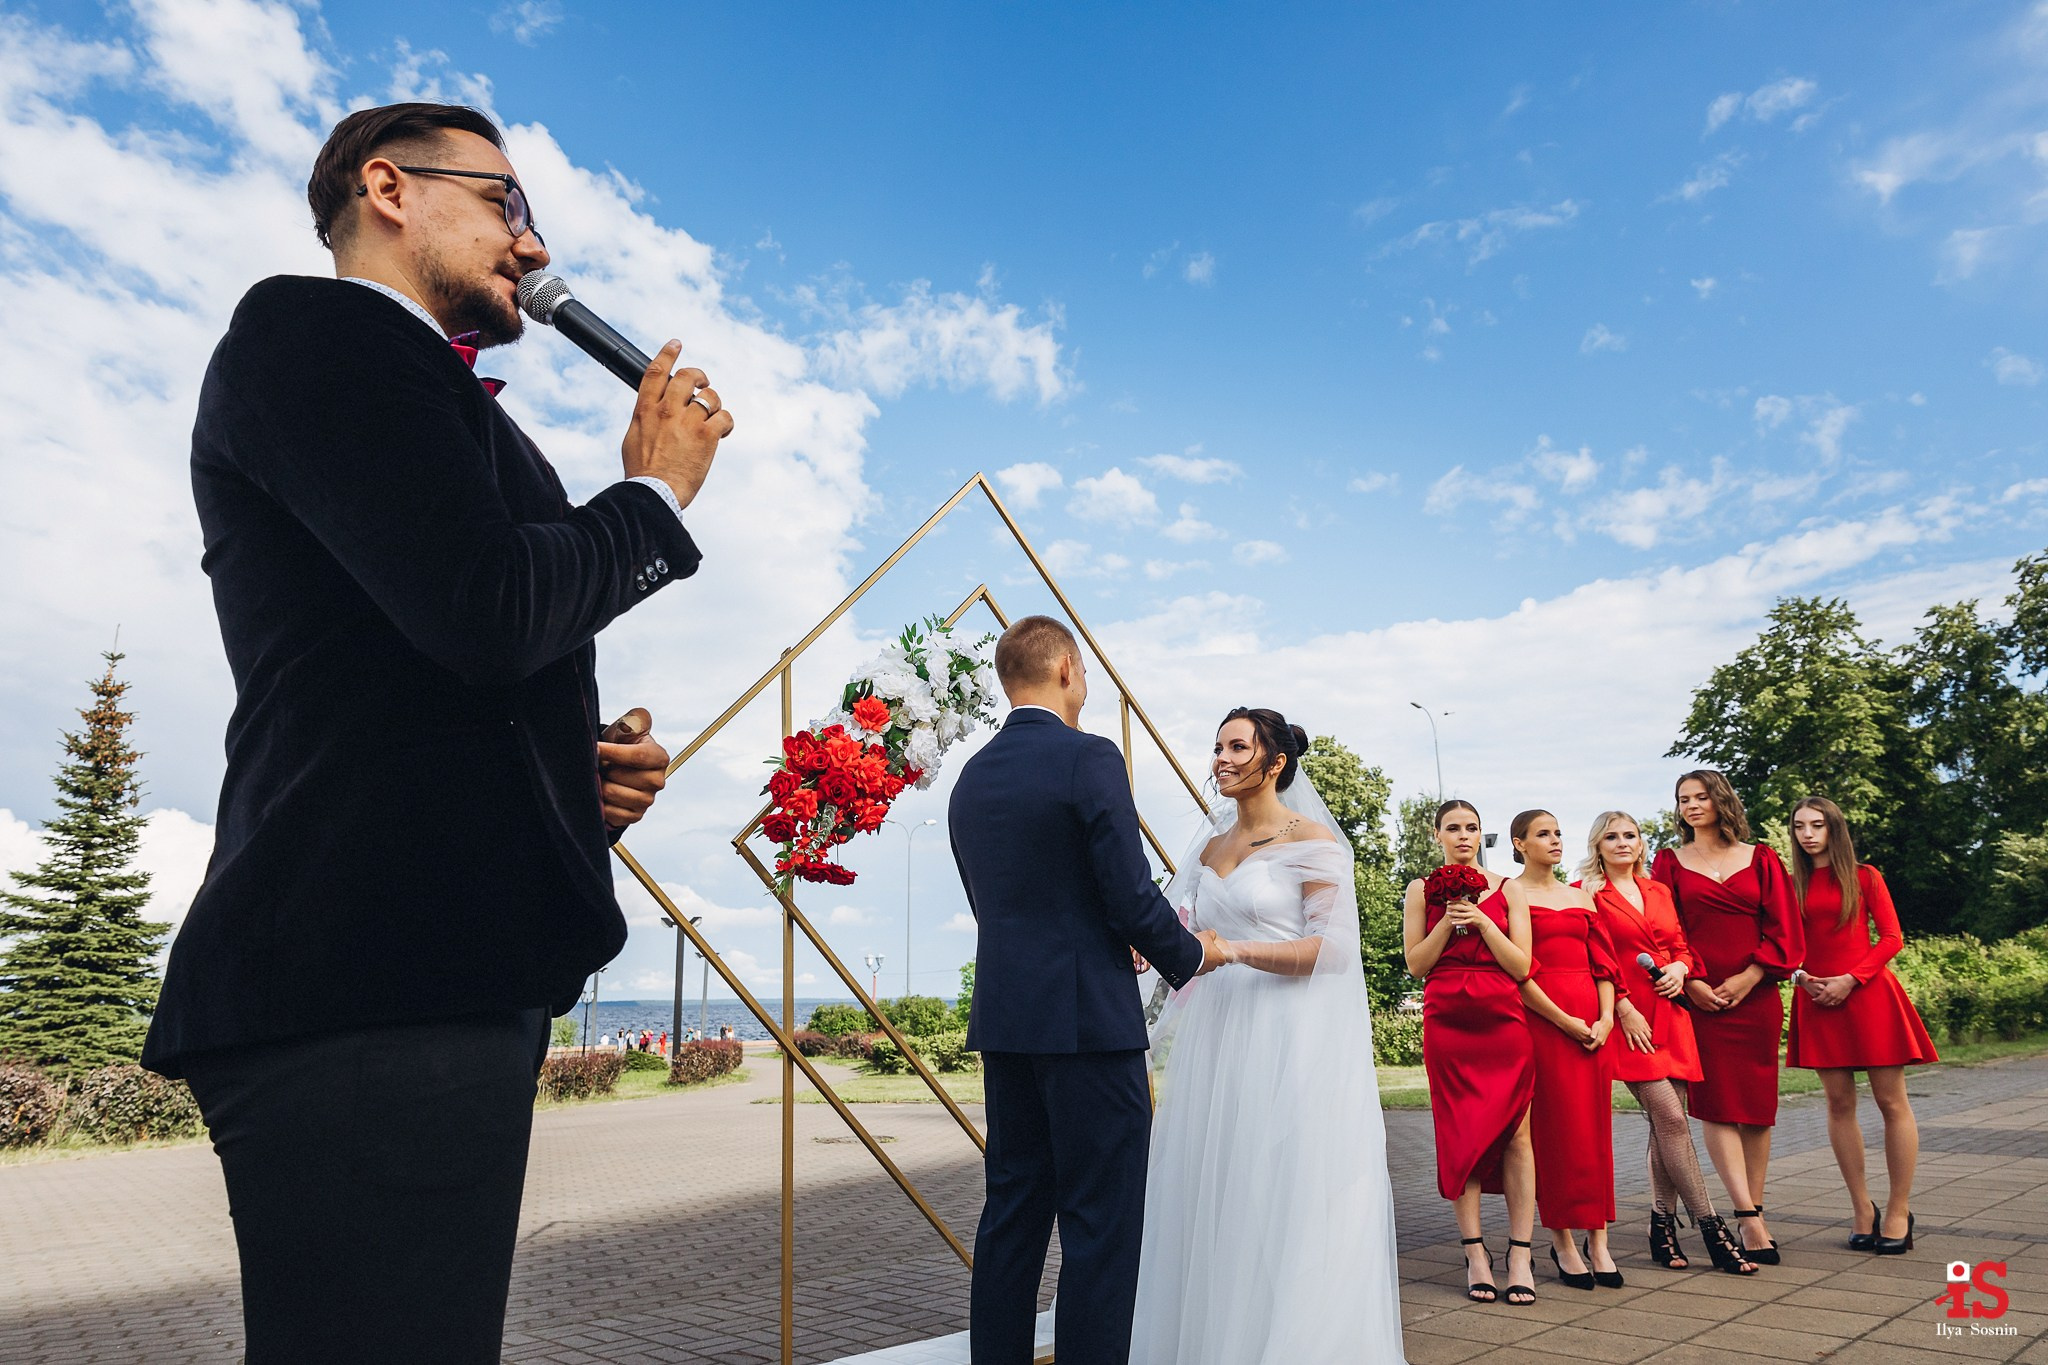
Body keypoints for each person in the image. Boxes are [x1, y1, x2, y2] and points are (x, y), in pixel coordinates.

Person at [138, 102, 731, 1365]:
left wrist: (563, 773)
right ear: (389, 188)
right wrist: (653, 493)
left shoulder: (453, 411)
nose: (533, 244)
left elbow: (436, 654)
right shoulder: (310, 334)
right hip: (363, 972)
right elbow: (486, 606)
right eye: (506, 203)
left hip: (432, 975)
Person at [947, 615, 1224, 1365]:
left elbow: (999, 901)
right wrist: (1190, 953)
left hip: (1008, 1021)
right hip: (1089, 1026)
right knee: (1101, 1224)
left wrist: (1098, 934)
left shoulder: (972, 776)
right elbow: (1129, 895)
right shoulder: (1090, 756)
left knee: (1012, 1215)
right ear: (1067, 668)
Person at [1130, 708, 1402, 1361]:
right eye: (1218, 746)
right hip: (1217, 1036)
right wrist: (1149, 948)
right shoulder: (1209, 848)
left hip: (1287, 1033)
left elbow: (1330, 951)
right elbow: (1182, 929)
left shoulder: (1313, 840)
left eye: (1237, 747)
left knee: (1280, 1185)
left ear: (1275, 762)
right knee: (1216, 1182)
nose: (1221, 759)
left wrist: (1234, 951)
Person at [1576, 812, 1755, 1276]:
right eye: (1611, 836)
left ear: (1641, 844)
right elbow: (1593, 961)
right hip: (1630, 1020)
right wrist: (1622, 1009)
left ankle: (1661, 1226)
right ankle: (1712, 1227)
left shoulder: (1658, 890)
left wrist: (1679, 968)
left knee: (1665, 1126)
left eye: (1630, 835)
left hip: (1671, 1014)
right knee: (1672, 1119)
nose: (1622, 842)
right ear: (1598, 846)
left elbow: (1680, 947)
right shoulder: (1587, 893)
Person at [1652, 770, 1805, 1265]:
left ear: (1721, 801)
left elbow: (1785, 927)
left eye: (1701, 797)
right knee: (1717, 1105)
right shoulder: (1668, 862)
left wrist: (1751, 976)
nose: (1691, 806)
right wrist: (1692, 982)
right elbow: (1663, 928)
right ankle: (1746, 1216)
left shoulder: (1762, 858)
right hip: (1700, 997)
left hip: (1756, 996)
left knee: (1757, 1109)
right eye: (1683, 800)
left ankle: (1754, 1207)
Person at [1403, 800, 1539, 1306]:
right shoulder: (1420, 889)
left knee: (1518, 1133)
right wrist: (1447, 921)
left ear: (1482, 835)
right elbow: (1416, 964)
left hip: (1502, 1019)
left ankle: (1520, 1253)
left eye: (1472, 827)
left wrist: (1483, 922)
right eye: (1453, 828)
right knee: (1460, 1134)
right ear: (1437, 834)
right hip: (1448, 1021)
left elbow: (1521, 966)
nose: (1464, 835)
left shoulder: (1510, 889)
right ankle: (1475, 1253)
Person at [1786, 796, 1936, 1255]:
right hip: (1817, 998)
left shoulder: (1865, 876)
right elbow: (1784, 947)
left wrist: (1852, 979)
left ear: (1834, 828)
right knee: (1838, 1103)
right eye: (1799, 826)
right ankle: (1861, 1210)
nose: (1807, 834)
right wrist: (1800, 978)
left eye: (1817, 825)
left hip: (1868, 994)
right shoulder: (1789, 885)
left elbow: (1892, 938)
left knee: (1892, 1102)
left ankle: (1898, 1210)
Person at [1504, 810, 1623, 1290]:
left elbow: (1605, 965)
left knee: (1595, 1131)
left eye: (1557, 833)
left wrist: (1607, 1018)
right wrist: (1565, 1021)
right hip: (1545, 1022)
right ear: (1519, 844)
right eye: (1543, 834)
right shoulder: (1510, 895)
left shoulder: (1582, 897)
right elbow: (1518, 973)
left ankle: (1599, 1241)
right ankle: (1563, 1241)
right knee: (1554, 1132)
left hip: (1594, 1024)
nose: (1555, 840)